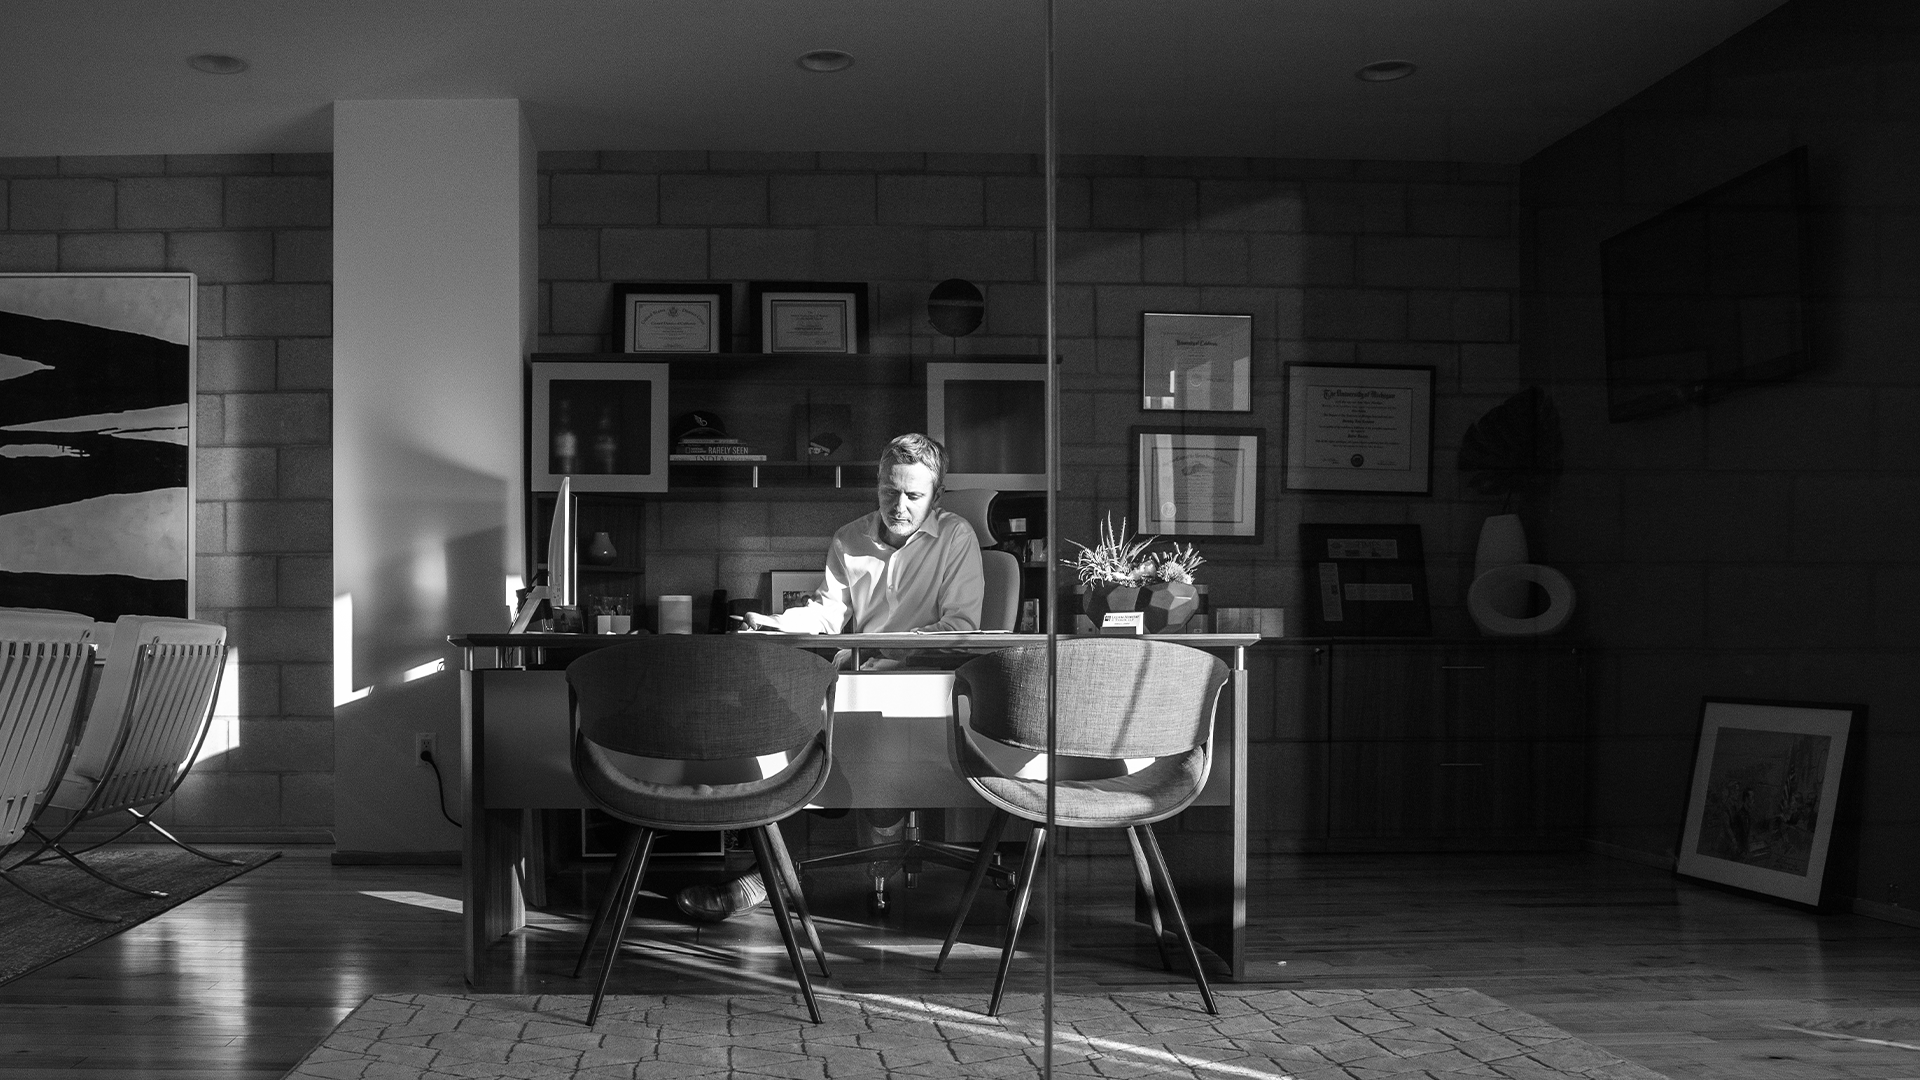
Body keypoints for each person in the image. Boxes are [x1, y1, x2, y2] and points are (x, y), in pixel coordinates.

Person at [674, 432, 984, 921]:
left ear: (937, 496)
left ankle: (789, 876)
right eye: (889, 491)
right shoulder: (849, 539)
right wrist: (780, 622)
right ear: (877, 485)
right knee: (788, 742)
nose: (899, 506)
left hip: (927, 685)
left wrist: (884, 647)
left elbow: (961, 629)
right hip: (860, 678)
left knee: (849, 751)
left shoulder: (956, 537)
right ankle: (767, 877)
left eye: (913, 495)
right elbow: (827, 612)